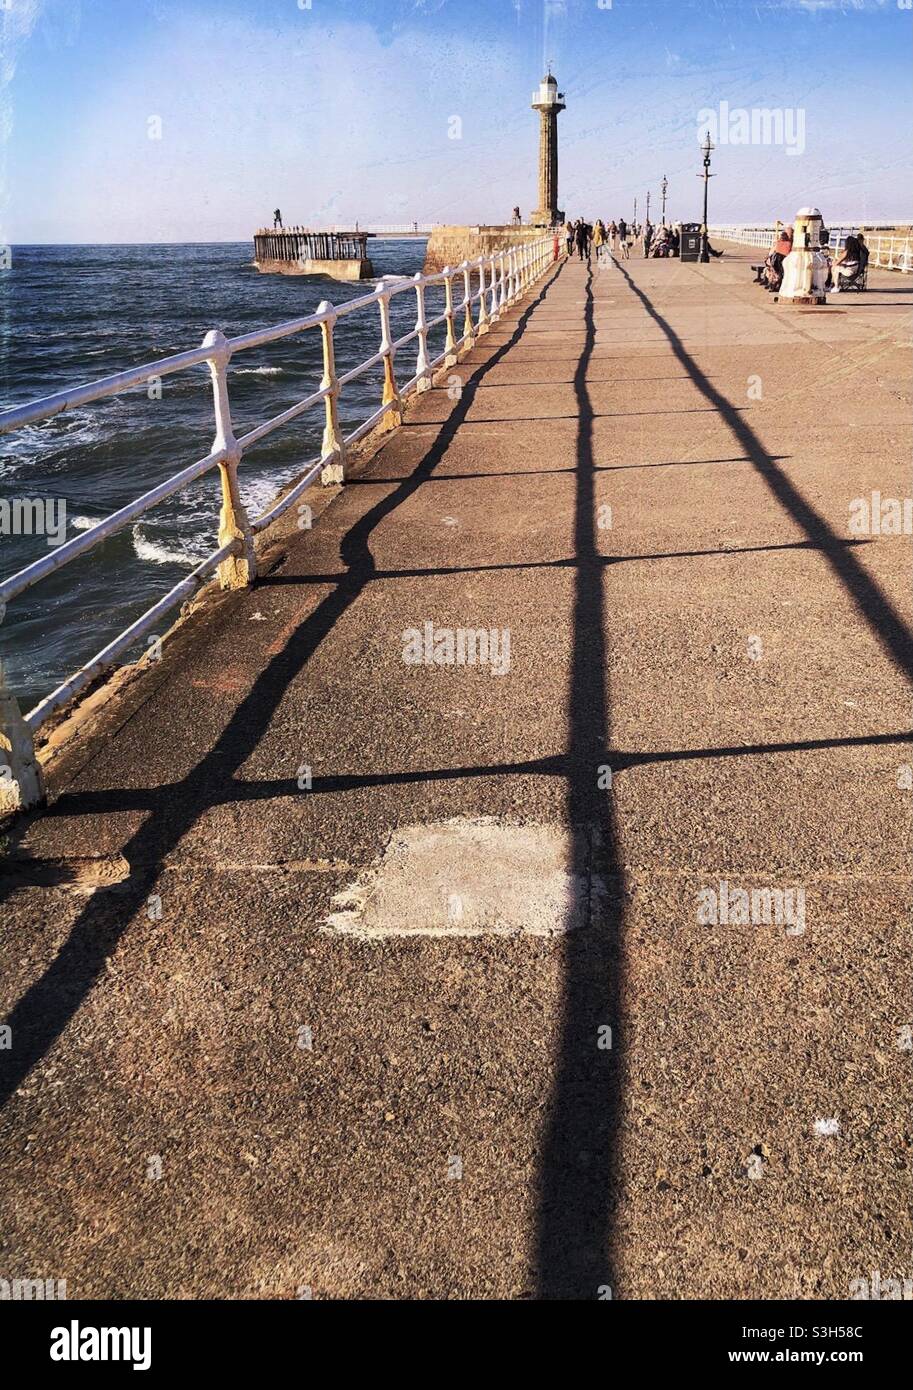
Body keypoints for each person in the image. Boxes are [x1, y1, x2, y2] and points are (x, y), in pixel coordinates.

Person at [763, 225, 792, 290]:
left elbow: (773, 252)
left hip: (775, 262)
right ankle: (775, 284)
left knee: (773, 271)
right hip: (780, 262)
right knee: (776, 272)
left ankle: (771, 284)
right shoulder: (788, 243)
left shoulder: (779, 243)